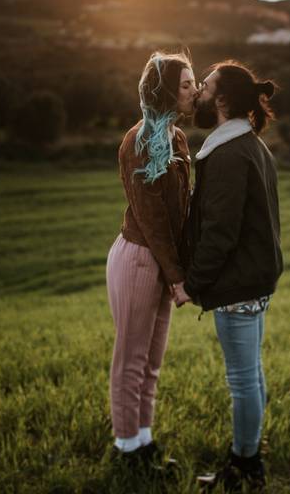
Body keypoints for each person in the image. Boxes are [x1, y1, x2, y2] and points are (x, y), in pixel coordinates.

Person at [173, 61, 282, 491]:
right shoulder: (249, 145)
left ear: (220, 100)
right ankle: (249, 455)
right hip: (255, 279)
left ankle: (245, 466)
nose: (196, 92)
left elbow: (220, 232)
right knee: (251, 374)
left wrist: (191, 285)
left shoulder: (228, 153)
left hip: (237, 284)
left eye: (204, 86)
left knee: (242, 380)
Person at [106, 50, 196, 471]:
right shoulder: (139, 140)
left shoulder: (176, 138)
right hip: (141, 257)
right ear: (164, 92)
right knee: (131, 359)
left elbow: (181, 210)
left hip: (162, 261)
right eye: (186, 85)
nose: (195, 91)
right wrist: (177, 277)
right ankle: (126, 450)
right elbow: (154, 219)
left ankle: (144, 442)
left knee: (152, 362)